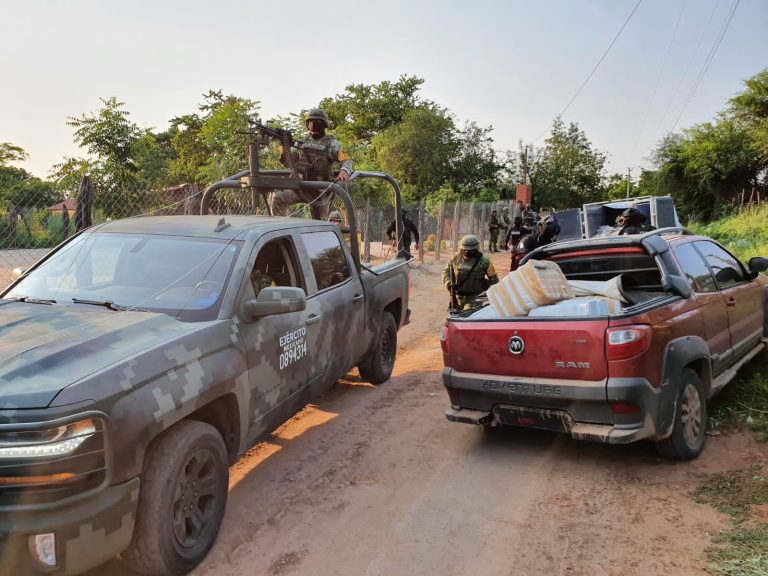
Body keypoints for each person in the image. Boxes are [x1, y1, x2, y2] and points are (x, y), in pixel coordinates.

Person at [280, 108, 353, 183]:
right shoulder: (301, 142)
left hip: (322, 188)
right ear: (307, 124)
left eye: (317, 121)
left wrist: (344, 171)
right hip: (299, 185)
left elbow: (346, 160)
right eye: (311, 121)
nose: (314, 123)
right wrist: (284, 145)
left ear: (324, 124)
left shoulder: (332, 144)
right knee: (280, 195)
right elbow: (287, 163)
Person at [442, 235, 499, 310]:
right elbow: (446, 272)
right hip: (458, 297)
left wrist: (497, 296)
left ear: (476, 249)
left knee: (468, 313)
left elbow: (494, 279)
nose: (466, 252)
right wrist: (448, 283)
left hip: (476, 298)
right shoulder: (455, 258)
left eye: (469, 250)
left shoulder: (484, 260)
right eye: (464, 249)